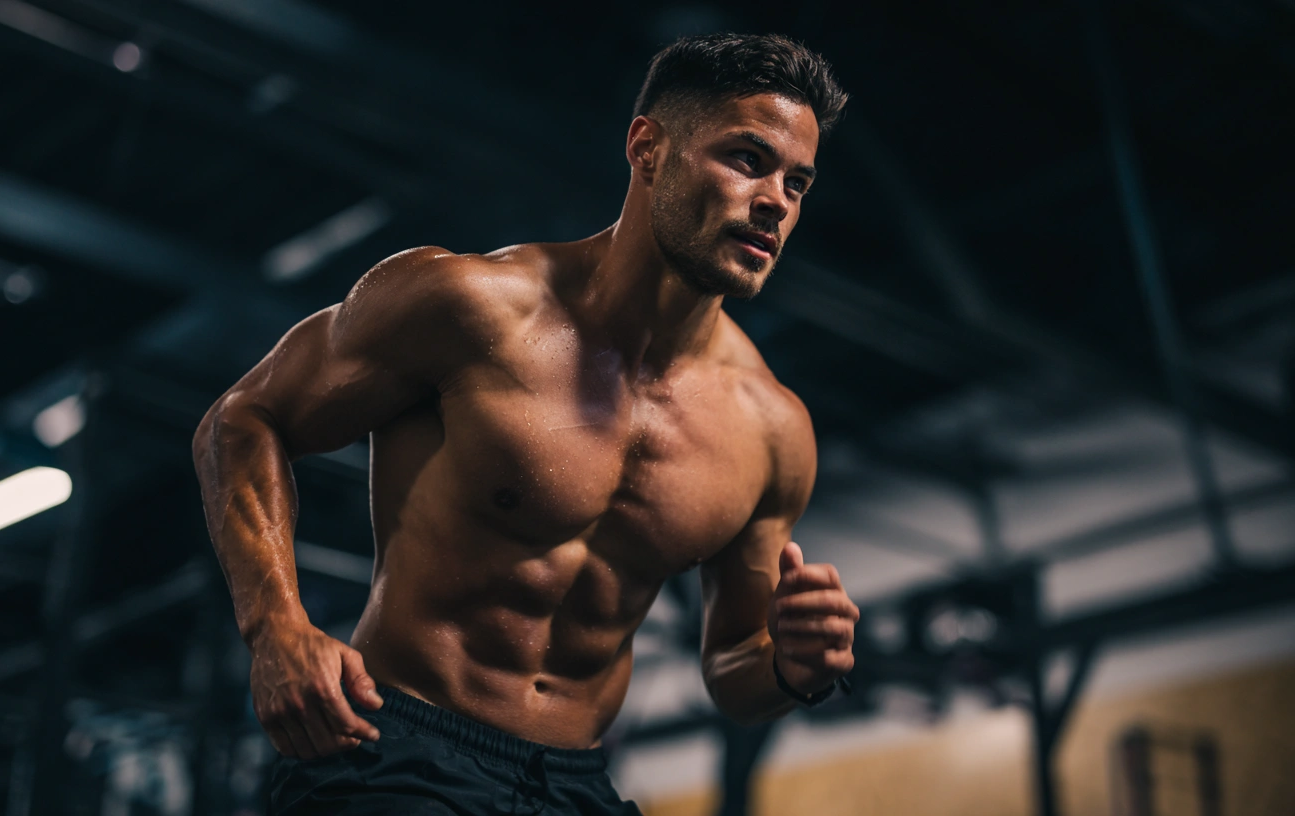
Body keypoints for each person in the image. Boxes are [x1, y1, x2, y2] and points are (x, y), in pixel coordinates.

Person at [193, 32, 859, 815]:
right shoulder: (471, 306)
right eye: (748, 159)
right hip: (397, 753)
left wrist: (794, 670)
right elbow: (241, 420)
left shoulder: (774, 431)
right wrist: (277, 629)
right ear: (648, 148)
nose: (777, 199)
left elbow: (737, 666)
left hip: (574, 784)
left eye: (799, 182)